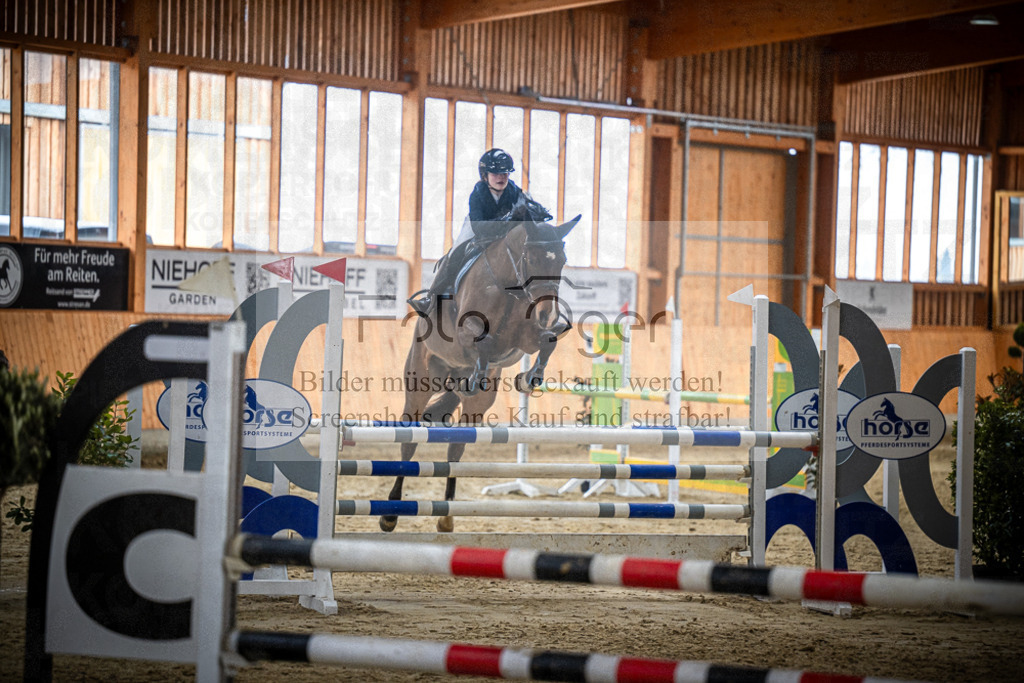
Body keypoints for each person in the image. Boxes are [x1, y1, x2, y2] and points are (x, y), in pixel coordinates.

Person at [408, 148, 548, 315]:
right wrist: (509, 219)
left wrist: (536, 214)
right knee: (455, 253)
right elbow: (480, 228)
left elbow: (525, 217)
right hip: (476, 229)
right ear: (485, 175)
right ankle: (430, 298)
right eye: (496, 173)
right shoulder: (478, 193)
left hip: (504, 234)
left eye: (505, 173)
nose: (501, 177)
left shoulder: (514, 191)